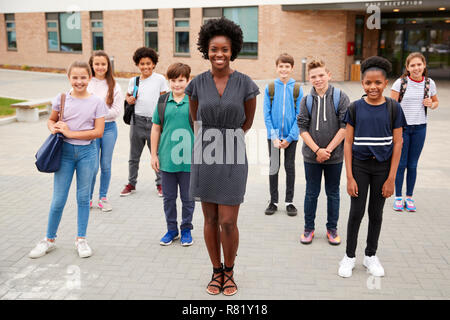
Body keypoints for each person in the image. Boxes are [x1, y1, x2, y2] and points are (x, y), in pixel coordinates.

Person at [185, 17, 259, 296]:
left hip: (232, 153)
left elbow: (247, 122)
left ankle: (230, 271)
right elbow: (196, 118)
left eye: (225, 49)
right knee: (210, 220)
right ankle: (216, 271)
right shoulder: (196, 84)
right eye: (214, 49)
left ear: (233, 50)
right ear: (206, 49)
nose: (219, 54)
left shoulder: (245, 83)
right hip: (204, 153)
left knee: (228, 220)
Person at [29, 61, 108, 259]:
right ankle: (49, 239)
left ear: (89, 78)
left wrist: (71, 132)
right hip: (63, 153)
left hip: (87, 154)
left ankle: (81, 240)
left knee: (83, 199)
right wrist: (53, 128)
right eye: (75, 77)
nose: (79, 81)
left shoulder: (97, 102)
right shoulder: (62, 98)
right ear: (69, 78)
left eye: (83, 77)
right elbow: (51, 120)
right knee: (58, 199)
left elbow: (98, 132)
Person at [338, 56, 406, 278]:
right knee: (356, 212)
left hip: (383, 169)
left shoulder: (393, 108)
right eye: (368, 83)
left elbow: (398, 143)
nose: (373, 87)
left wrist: (391, 178)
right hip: (359, 166)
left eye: (378, 83)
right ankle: (349, 257)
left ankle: (370, 255)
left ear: (385, 83)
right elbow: (348, 142)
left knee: (376, 213)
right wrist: (349, 176)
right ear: (362, 83)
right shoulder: (355, 108)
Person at [297, 58, 350, 245]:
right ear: (309, 79)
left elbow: (345, 126)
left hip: (334, 157)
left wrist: (327, 150)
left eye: (321, 75)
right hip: (311, 157)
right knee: (311, 193)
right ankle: (308, 228)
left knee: (333, 193)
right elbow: (302, 128)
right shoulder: (306, 100)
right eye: (313, 76)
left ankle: (332, 228)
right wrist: (317, 150)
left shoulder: (340, 97)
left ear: (329, 75)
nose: (318, 79)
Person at [151, 63, 195, 246]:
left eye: (181, 80)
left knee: (187, 198)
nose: (177, 84)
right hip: (167, 160)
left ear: (188, 80)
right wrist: (154, 154)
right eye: (173, 81)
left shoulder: (193, 102)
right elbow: (155, 129)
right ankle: (171, 230)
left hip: (188, 160)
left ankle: (186, 229)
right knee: (168, 198)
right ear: (169, 81)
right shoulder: (162, 102)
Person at [390, 52, 439, 212]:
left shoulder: (429, 83)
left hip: (420, 128)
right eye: (413, 65)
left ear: (424, 65)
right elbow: (391, 107)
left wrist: (431, 103)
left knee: (412, 164)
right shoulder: (400, 83)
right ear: (407, 67)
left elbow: (436, 102)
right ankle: (398, 197)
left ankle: (409, 197)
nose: (416, 68)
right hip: (402, 129)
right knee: (401, 163)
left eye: (419, 64)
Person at [120, 47, 169, 197]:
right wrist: (129, 99)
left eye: (148, 63)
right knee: (133, 157)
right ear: (137, 64)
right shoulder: (133, 81)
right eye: (142, 63)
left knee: (158, 155)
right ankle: (131, 183)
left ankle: (161, 184)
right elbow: (128, 98)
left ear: (154, 64)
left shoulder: (160, 79)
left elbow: (164, 100)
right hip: (137, 122)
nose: (145, 66)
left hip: (155, 124)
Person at [263, 53, 303, 217]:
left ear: (292, 68)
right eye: (281, 66)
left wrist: (289, 137)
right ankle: (273, 201)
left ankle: (289, 201)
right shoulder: (270, 87)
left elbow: (299, 116)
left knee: (289, 167)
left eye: (287, 66)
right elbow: (266, 114)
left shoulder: (297, 88)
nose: (284, 69)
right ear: (277, 67)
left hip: (290, 137)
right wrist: (273, 136)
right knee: (274, 167)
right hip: (273, 136)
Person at [88, 50, 123, 212]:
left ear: (108, 66)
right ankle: (87, 198)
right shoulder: (87, 83)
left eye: (103, 64)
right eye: (97, 64)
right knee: (92, 166)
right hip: (92, 130)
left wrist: (97, 115)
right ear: (92, 65)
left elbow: (116, 110)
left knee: (106, 165)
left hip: (109, 129)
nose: (100, 67)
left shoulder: (114, 85)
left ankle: (103, 197)